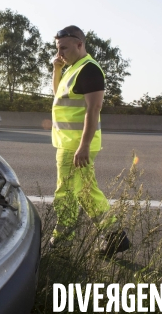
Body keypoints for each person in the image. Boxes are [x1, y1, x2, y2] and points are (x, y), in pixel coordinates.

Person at [50, 25, 129, 256]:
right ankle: (115, 236)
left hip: (76, 145)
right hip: (69, 142)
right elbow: (58, 96)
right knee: (85, 191)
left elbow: (93, 108)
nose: (59, 53)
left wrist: (83, 145)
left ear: (79, 44)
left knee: (65, 192)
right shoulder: (72, 69)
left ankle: (62, 243)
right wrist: (56, 70)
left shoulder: (89, 69)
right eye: (57, 49)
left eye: (63, 48)